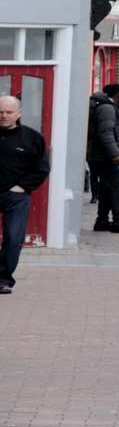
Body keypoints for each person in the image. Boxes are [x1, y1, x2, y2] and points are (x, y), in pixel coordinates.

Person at [0, 95, 49, 293]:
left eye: (8, 112)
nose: (3, 116)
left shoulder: (32, 138)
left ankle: (3, 279)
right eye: (0, 112)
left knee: (13, 237)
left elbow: (42, 168)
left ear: (19, 113)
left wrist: (22, 187)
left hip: (16, 196)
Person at [86, 83, 119, 233]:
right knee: (117, 189)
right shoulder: (107, 109)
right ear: (118, 95)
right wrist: (116, 154)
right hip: (108, 158)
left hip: (103, 156)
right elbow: (105, 133)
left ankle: (102, 221)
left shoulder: (107, 107)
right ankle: (118, 221)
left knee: (107, 190)